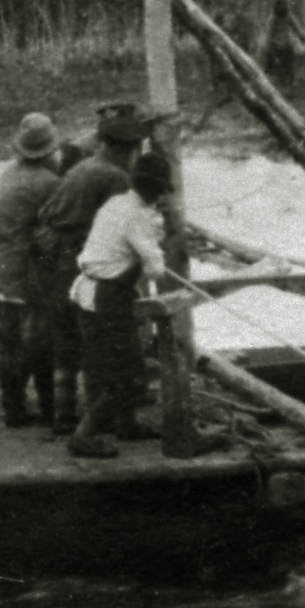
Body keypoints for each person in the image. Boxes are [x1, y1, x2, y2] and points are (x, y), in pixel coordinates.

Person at [28, 104, 151, 436]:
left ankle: (65, 416)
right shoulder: (115, 177)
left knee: (66, 338)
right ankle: (115, 420)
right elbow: (123, 229)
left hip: (52, 257)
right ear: (129, 148)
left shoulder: (83, 168)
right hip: (76, 257)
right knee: (107, 339)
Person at [66, 149, 175, 459]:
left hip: (89, 292)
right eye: (161, 192)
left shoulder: (117, 203)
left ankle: (126, 425)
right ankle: (82, 436)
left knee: (112, 366)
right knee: (129, 376)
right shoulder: (139, 216)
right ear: (156, 190)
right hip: (106, 297)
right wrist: (160, 237)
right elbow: (156, 270)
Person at [0, 112, 63, 428]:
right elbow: (57, 228)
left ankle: (13, 408)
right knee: (40, 343)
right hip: (22, 275)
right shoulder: (49, 183)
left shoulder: (9, 173)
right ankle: (50, 408)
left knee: (8, 345)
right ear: (50, 150)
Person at [264, 0, 305, 93]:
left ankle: (290, 84)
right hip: (277, 46)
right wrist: (268, 47)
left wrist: (303, 38)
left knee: (289, 65)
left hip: (286, 44)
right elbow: (269, 34)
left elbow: (296, 28)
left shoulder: (288, 16)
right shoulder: (273, 19)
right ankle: (283, 84)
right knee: (281, 67)